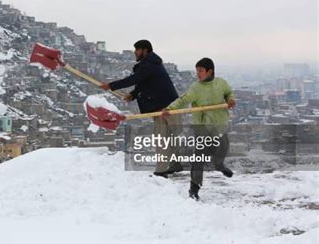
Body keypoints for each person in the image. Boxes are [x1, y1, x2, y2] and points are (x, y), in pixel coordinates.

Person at [101, 39, 182, 176]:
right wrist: (132, 95)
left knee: (162, 138)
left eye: (137, 50)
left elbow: (134, 80)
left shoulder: (148, 65)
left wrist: (111, 85)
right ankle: (175, 164)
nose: (135, 52)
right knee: (170, 136)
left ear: (145, 50)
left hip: (164, 107)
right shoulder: (151, 64)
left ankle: (162, 170)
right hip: (167, 105)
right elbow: (144, 83)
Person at [162, 57, 235, 200]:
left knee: (223, 147)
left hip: (219, 124)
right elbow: (183, 100)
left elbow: (228, 93)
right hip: (202, 127)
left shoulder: (221, 83)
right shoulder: (195, 88)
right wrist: (169, 109)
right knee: (198, 158)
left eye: (201, 71)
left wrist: (231, 100)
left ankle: (219, 165)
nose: (198, 74)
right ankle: (194, 189)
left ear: (210, 71)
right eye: (197, 71)